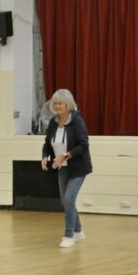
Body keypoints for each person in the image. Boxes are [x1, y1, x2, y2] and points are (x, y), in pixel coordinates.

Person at [41, 89, 93, 248]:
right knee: (66, 201)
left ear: (68, 104)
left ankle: (69, 235)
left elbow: (83, 145)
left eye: (60, 103)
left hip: (78, 167)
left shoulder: (77, 121)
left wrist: (66, 155)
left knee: (69, 200)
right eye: (55, 103)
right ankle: (78, 230)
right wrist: (45, 156)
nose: (57, 106)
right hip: (62, 167)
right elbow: (47, 143)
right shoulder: (53, 122)